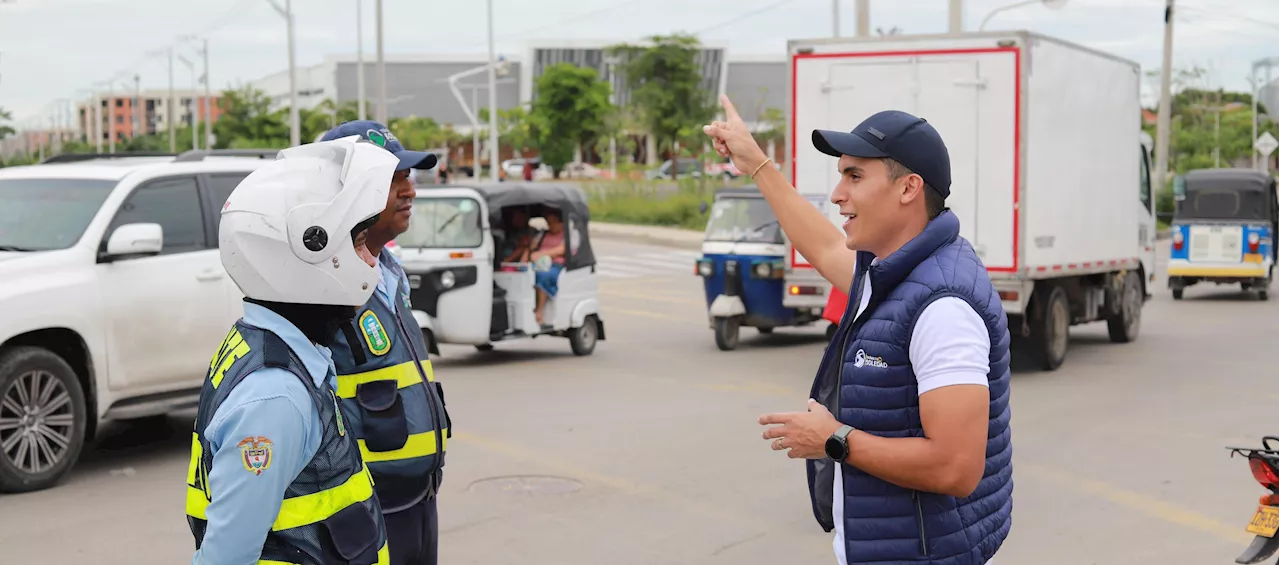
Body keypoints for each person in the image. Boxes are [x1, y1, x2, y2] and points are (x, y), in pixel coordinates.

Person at [703, 95, 1012, 565]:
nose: (837, 195)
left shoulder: (943, 307)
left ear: (908, 188)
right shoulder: (899, 271)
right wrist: (757, 164)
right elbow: (825, 247)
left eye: (855, 176)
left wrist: (833, 439)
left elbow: (957, 468)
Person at [185, 136, 397, 565]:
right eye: (357, 242)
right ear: (307, 251)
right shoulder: (275, 397)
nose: (370, 260)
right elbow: (226, 557)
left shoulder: (279, 346)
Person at [319, 120, 453, 565]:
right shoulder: (324, 282)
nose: (409, 190)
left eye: (407, 177)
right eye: (393, 178)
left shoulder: (389, 268)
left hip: (418, 495)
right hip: (367, 509)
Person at [529, 207, 567, 326]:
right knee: (524, 274)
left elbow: (562, 250)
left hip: (556, 265)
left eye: (552, 223)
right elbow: (532, 248)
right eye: (548, 223)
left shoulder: (567, 235)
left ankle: (539, 312)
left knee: (543, 275)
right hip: (539, 263)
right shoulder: (544, 234)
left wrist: (541, 254)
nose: (550, 226)